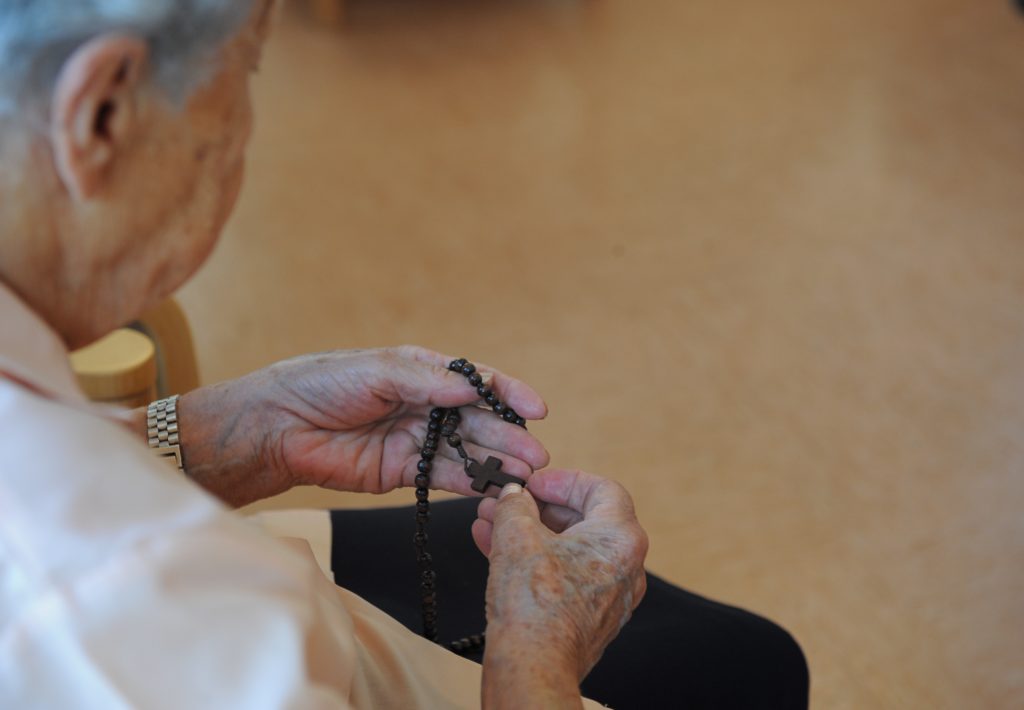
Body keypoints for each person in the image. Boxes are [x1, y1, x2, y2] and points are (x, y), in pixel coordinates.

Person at [0, 1, 808, 707]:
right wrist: (535, 663)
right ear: (102, 113)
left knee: (737, 652)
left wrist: (248, 428)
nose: (247, 121)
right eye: (248, 67)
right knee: (754, 669)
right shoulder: (128, 617)